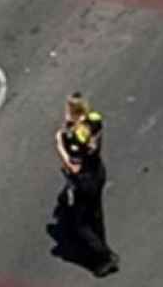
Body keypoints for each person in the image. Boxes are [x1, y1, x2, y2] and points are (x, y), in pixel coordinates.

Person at [55, 93, 119, 277]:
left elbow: (73, 166)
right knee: (96, 215)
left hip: (85, 180)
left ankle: (105, 256)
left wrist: (60, 145)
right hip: (98, 171)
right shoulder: (94, 121)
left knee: (81, 224)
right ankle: (103, 248)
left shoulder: (77, 137)